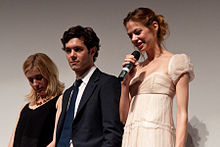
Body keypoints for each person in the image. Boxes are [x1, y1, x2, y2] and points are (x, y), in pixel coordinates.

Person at [119, 7, 195, 147]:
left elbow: (182, 114)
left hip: (156, 138)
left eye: (137, 32)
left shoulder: (176, 62)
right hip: (131, 139)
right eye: (130, 35)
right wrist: (125, 85)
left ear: (154, 26)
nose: (134, 39)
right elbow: (124, 118)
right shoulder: (137, 69)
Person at [55, 25, 123, 147]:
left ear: (92, 51)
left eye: (78, 49)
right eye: (68, 50)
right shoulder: (68, 93)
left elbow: (113, 133)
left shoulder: (107, 83)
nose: (72, 55)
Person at [8, 53, 64, 147]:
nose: (35, 84)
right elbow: (12, 143)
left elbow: (57, 140)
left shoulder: (59, 101)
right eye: (30, 80)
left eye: (39, 78)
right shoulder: (24, 108)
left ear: (49, 74)